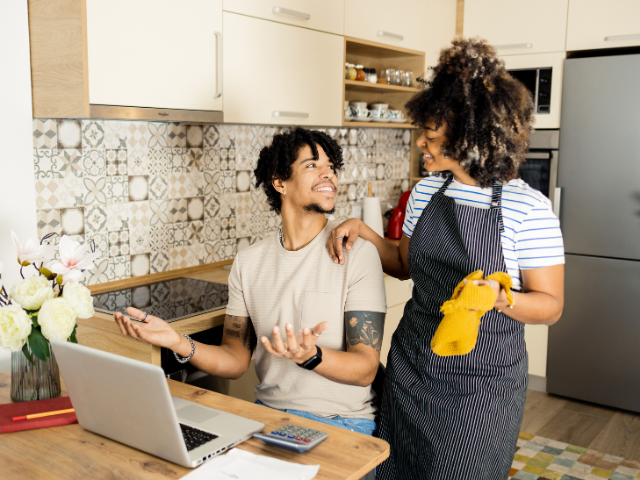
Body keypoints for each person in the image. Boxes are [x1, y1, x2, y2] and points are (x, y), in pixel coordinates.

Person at [326, 38, 565, 479]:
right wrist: (364, 233)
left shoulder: (527, 208)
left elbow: (550, 305)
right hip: (413, 366)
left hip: (483, 383)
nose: (420, 143)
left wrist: (498, 296)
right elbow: (402, 263)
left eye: (431, 136)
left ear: (468, 137)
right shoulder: (425, 192)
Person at [114, 127, 386, 437]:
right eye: (312, 165)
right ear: (279, 181)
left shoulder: (356, 253)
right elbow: (235, 358)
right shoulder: (249, 262)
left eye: (331, 167)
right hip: (266, 416)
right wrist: (178, 342)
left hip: (339, 422)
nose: (329, 175)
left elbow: (365, 369)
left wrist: (313, 356)